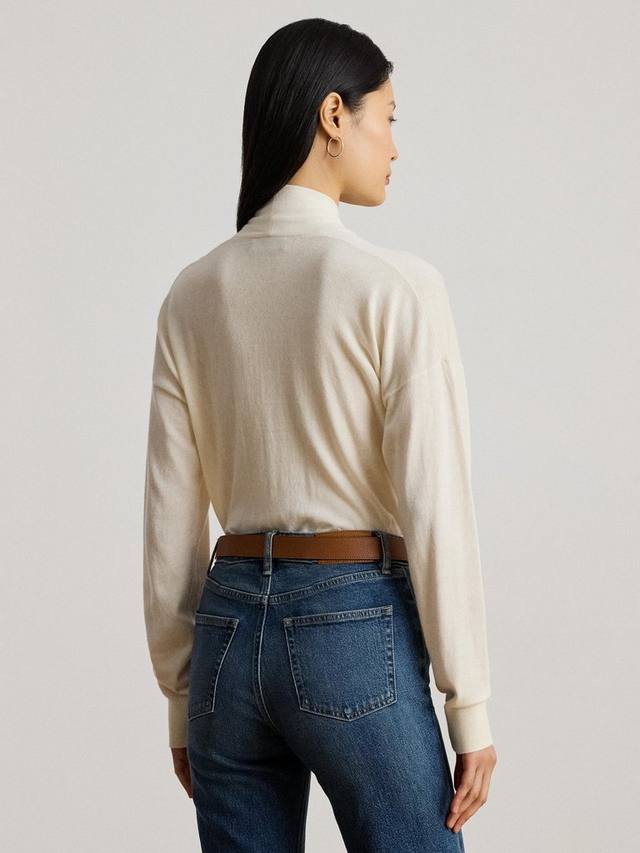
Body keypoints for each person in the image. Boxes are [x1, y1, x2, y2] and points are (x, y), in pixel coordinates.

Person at [143, 16, 497, 853]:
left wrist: (181, 696)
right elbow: (435, 504)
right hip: (352, 624)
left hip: (225, 641)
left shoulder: (192, 293)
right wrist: (470, 705)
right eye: (389, 117)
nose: (395, 146)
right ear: (334, 115)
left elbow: (169, 518)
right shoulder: (395, 287)